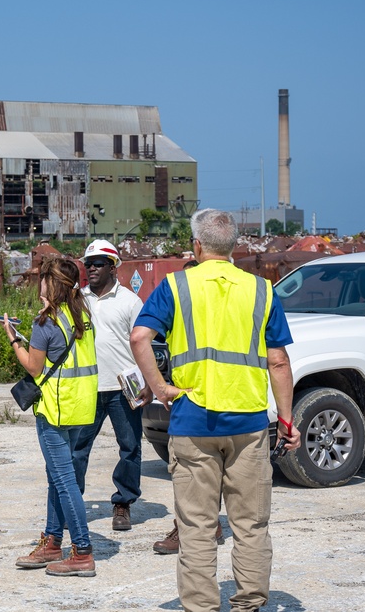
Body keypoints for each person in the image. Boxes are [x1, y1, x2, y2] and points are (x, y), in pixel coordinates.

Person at [130, 209, 301, 612]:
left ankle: (202, 607)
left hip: (193, 422)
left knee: (197, 530)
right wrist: (288, 420)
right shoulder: (262, 291)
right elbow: (278, 361)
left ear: (197, 245)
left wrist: (160, 388)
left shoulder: (175, 286)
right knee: (251, 526)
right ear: (234, 247)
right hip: (249, 424)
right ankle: (249, 604)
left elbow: (140, 338)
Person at [5, 257, 99, 577]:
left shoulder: (45, 322)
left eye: (42, 279)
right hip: (79, 407)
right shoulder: (82, 315)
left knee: (63, 480)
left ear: (51, 283)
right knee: (57, 478)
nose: (38, 284)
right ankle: (53, 541)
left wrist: (14, 338)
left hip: (55, 410)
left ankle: (82, 551)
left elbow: (33, 366)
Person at [72, 239, 150, 532]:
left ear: (113, 267)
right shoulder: (77, 300)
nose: (90, 268)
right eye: (87, 263)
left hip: (124, 387)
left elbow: (143, 345)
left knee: (129, 446)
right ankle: (72, 501)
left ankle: (123, 503)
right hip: (87, 387)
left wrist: (149, 383)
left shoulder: (131, 302)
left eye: (97, 263)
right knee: (77, 448)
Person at [152, 257, 225, 555]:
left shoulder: (215, 315)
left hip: (203, 402)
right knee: (199, 471)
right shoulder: (181, 313)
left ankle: (190, 528)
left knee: (190, 470)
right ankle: (207, 524)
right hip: (188, 400)